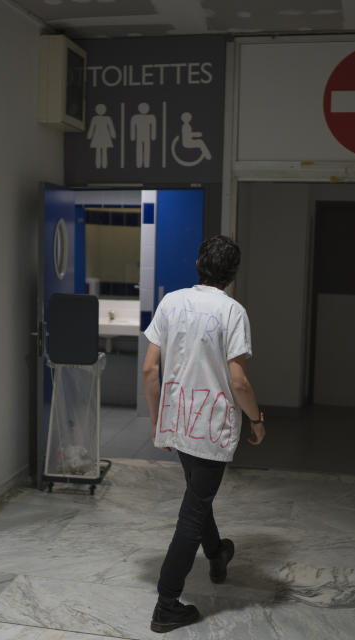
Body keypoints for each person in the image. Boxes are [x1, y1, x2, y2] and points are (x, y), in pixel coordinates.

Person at [142, 235, 265, 633]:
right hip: (211, 426)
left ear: (198, 264)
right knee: (192, 513)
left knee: (198, 494)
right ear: (233, 274)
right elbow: (239, 381)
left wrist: (156, 421)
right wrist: (257, 419)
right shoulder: (233, 311)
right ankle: (166, 604)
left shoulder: (170, 302)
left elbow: (149, 370)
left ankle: (217, 553)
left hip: (178, 420)